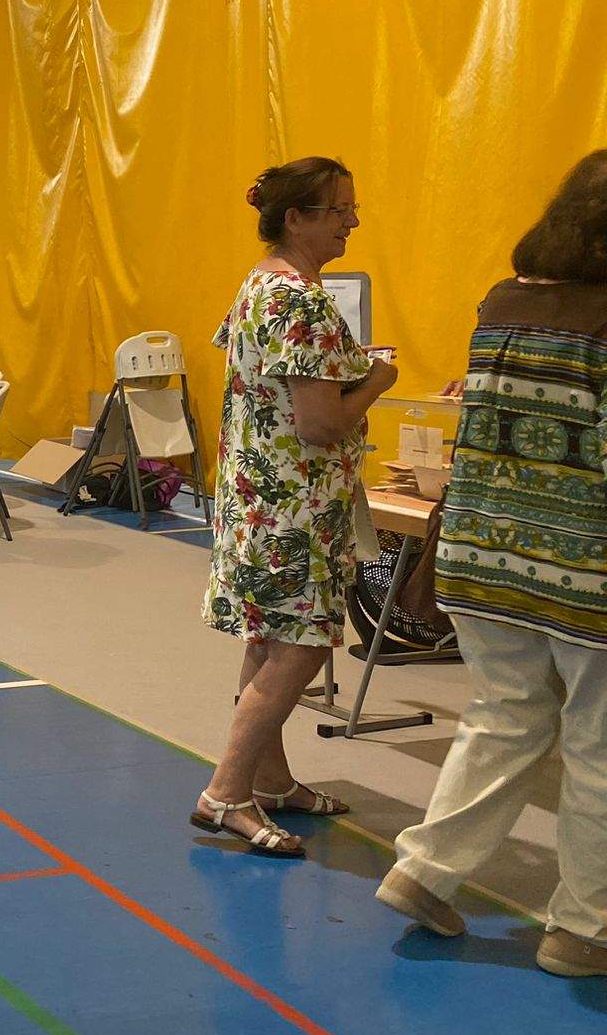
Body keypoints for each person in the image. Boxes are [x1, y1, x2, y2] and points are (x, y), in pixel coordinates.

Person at [378, 153, 607, 977]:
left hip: (481, 553)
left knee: (502, 715)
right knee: (597, 746)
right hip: (584, 565)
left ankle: (423, 871)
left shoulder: (501, 303)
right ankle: (582, 928)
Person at [194, 158, 397, 858]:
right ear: (297, 218)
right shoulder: (303, 303)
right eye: (339, 209)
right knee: (301, 650)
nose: (353, 221)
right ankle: (226, 792)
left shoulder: (259, 286)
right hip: (296, 512)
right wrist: (376, 379)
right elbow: (319, 424)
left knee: (269, 644)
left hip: (256, 500)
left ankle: (273, 781)